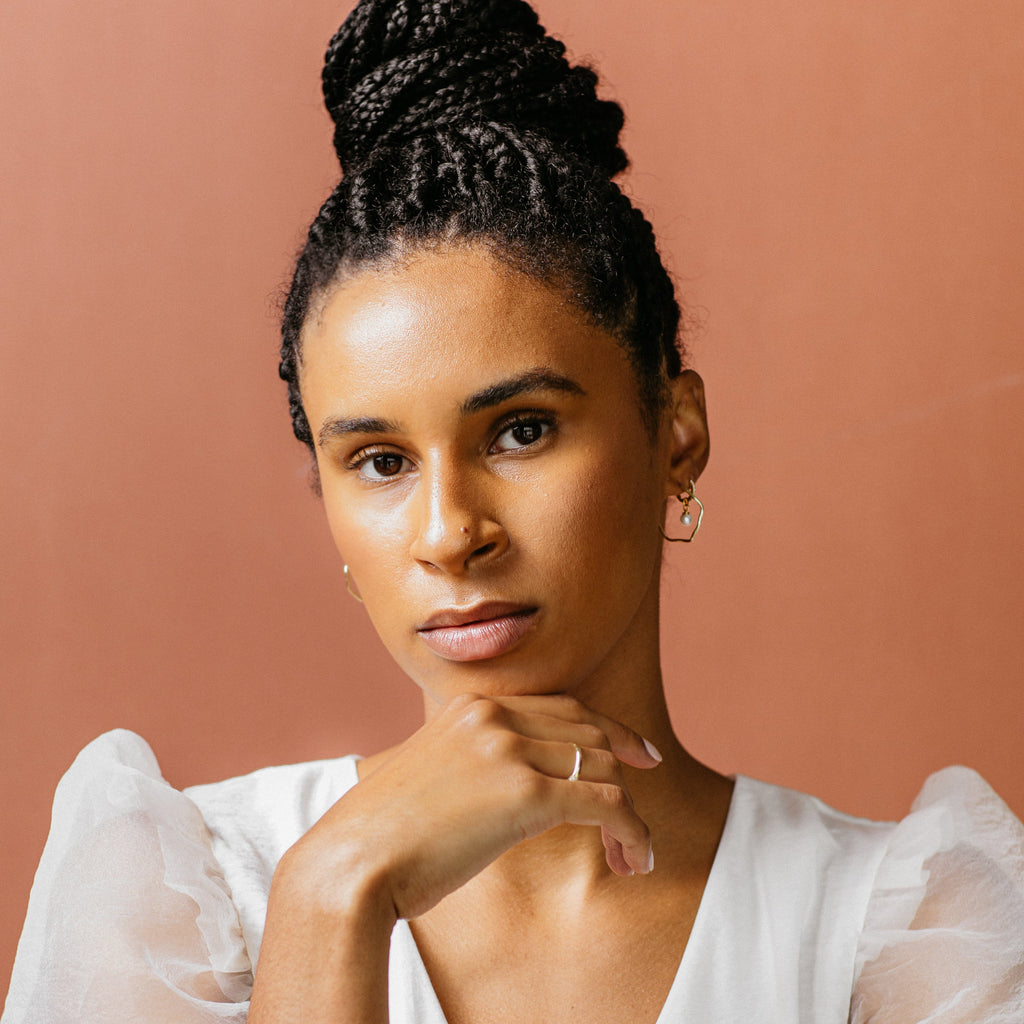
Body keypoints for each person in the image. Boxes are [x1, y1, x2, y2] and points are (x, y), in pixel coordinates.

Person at [4, 0, 1023, 1021]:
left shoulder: (905, 934)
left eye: (520, 431)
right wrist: (330, 898)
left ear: (675, 429)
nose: (451, 532)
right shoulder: (190, 906)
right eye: (379, 460)